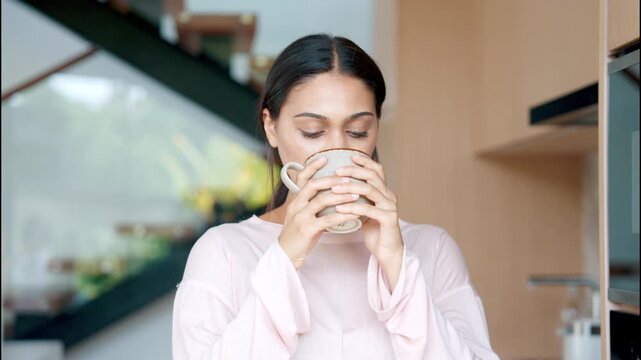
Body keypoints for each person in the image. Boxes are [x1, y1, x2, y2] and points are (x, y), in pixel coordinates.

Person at [172, 34, 500, 360]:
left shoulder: (431, 248)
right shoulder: (224, 253)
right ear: (271, 127)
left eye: (358, 132)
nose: (337, 149)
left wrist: (398, 266)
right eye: (313, 132)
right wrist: (285, 260)